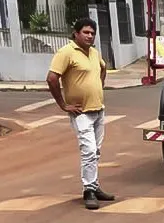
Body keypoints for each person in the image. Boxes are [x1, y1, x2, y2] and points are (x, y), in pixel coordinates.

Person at [46, 18, 117, 210]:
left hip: (98, 109)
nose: (90, 36)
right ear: (75, 33)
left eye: (92, 33)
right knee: (89, 151)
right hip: (80, 112)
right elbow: (52, 79)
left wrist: (99, 86)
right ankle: (89, 191)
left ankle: (95, 186)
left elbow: (102, 68)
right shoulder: (66, 53)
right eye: (86, 32)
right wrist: (63, 104)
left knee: (96, 151)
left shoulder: (94, 53)